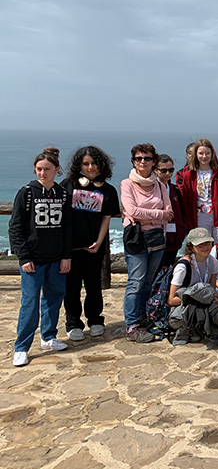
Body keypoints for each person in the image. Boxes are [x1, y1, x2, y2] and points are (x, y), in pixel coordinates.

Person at [9, 148, 72, 366]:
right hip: (33, 261)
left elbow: (67, 228)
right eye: (39, 169)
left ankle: (48, 337)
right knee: (30, 302)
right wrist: (24, 257)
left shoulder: (62, 194)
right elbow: (15, 227)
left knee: (54, 299)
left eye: (47, 169)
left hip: (56, 259)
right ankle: (22, 347)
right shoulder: (26, 193)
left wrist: (66, 256)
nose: (42, 173)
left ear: (57, 170)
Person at [62, 146, 120, 342]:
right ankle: (73, 323)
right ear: (79, 165)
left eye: (94, 163)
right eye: (85, 164)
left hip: (95, 246)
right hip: (72, 247)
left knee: (94, 285)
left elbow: (106, 218)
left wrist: (99, 241)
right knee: (72, 287)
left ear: (101, 164)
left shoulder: (108, 190)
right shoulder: (68, 185)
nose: (90, 167)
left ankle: (96, 320)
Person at [121, 143, 173, 343]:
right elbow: (132, 211)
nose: (143, 162)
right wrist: (158, 215)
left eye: (147, 158)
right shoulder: (127, 184)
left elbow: (169, 214)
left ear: (153, 162)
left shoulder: (160, 185)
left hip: (157, 239)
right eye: (139, 158)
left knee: (149, 280)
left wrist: (149, 217)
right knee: (135, 282)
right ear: (133, 161)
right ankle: (132, 325)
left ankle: (143, 316)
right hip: (137, 240)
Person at [178, 139, 218, 244]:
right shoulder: (188, 174)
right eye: (201, 153)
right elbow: (186, 201)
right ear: (195, 154)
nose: (204, 156)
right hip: (199, 216)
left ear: (212, 154)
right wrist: (189, 221)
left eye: (207, 153)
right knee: (202, 246)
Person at [167, 227, 218, 345]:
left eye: (207, 243)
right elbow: (171, 300)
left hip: (202, 301)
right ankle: (186, 329)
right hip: (183, 307)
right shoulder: (183, 267)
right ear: (191, 247)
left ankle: (199, 328)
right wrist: (197, 299)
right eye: (200, 245)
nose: (205, 247)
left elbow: (212, 290)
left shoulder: (213, 262)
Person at [156, 154, 188, 271]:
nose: (168, 174)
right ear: (156, 170)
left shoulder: (175, 190)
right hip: (157, 237)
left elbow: (182, 212)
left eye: (171, 170)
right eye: (164, 170)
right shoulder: (151, 189)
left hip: (174, 238)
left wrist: (182, 230)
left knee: (168, 269)